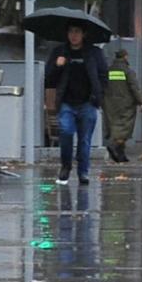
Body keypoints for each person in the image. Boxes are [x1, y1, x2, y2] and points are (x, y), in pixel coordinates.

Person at [45, 22, 108, 185]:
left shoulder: (94, 53)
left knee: (85, 139)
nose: (74, 35)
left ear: (83, 34)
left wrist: (97, 97)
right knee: (65, 133)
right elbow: (49, 79)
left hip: (88, 103)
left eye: (77, 32)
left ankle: (83, 172)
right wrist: (58, 66)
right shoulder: (59, 52)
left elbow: (103, 76)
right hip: (66, 103)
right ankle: (65, 166)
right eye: (71, 32)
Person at [103, 49, 142, 163]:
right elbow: (134, 88)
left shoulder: (108, 70)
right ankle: (113, 145)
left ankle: (121, 156)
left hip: (110, 103)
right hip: (126, 104)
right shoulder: (128, 71)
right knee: (124, 128)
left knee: (114, 126)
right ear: (125, 57)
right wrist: (141, 102)